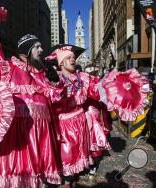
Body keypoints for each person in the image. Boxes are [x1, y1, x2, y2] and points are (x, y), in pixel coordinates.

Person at [45, 44, 149, 187]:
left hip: (80, 122)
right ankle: (66, 182)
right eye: (69, 58)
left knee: (77, 156)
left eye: (74, 57)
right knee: (66, 157)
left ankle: (71, 179)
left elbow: (98, 89)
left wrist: (117, 89)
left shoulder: (83, 78)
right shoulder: (56, 79)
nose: (73, 59)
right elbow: (52, 102)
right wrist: (56, 85)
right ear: (61, 62)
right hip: (64, 125)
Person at [0, 34, 63, 187]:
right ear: (26, 50)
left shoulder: (40, 70)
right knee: (16, 168)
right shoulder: (10, 67)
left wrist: (55, 81)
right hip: (17, 128)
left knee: (36, 169)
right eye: (37, 46)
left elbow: (55, 96)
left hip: (40, 129)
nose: (41, 49)